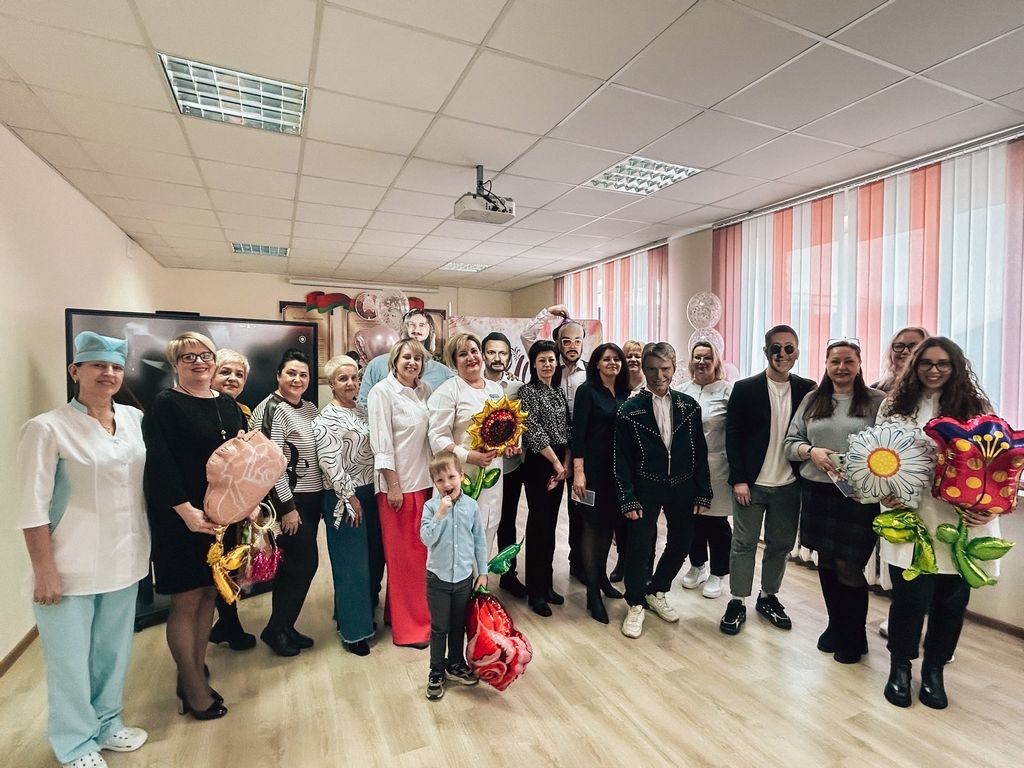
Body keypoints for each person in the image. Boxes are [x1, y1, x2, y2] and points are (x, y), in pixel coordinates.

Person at [18, 331, 150, 768]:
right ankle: (74, 743)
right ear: (75, 371)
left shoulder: (134, 419)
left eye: (115, 366)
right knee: (70, 662)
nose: (107, 373)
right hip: (69, 566)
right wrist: (45, 570)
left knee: (113, 653)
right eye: (97, 365)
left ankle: (108, 724)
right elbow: (32, 507)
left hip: (125, 559)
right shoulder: (47, 428)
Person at [877, 337, 999, 709]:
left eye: (942, 363)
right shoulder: (894, 406)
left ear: (955, 366)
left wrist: (990, 508)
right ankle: (900, 667)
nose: (934, 370)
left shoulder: (976, 408)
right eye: (926, 363)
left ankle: (934, 669)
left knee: (951, 601)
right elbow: (877, 455)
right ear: (914, 367)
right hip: (910, 518)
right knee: (908, 599)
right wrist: (884, 492)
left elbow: (996, 463)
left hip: (960, 521)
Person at [144, 331, 247, 720]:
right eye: (189, 357)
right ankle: (193, 688)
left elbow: (241, 462)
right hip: (183, 519)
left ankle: (192, 671)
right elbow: (160, 464)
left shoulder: (228, 405)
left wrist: (247, 503)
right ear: (175, 364)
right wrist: (185, 510)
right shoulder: (165, 405)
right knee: (186, 600)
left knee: (208, 595)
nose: (199, 362)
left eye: (205, 355)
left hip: (221, 518)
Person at [784, 340, 885, 663]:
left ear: (859, 364)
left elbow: (890, 446)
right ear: (826, 365)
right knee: (826, 561)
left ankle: (855, 636)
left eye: (848, 361)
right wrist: (810, 451)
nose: (841, 367)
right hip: (819, 491)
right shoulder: (813, 399)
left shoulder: (877, 401)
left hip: (858, 496)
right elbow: (790, 443)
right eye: (835, 362)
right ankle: (836, 625)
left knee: (849, 565)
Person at [721, 325, 815, 635]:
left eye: (789, 348)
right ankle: (737, 600)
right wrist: (739, 479)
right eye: (776, 348)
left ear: (797, 352)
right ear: (766, 351)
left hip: (789, 485)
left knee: (781, 545)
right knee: (743, 544)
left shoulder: (808, 389)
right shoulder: (745, 388)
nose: (782, 354)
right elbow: (733, 436)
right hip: (751, 484)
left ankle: (768, 597)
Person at [615, 342, 712, 639]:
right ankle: (635, 602)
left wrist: (703, 490)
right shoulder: (629, 410)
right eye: (653, 369)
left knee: (682, 542)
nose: (659, 376)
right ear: (643, 370)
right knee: (640, 546)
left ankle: (657, 591)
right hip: (646, 484)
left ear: (674, 368)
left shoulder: (689, 406)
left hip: (683, 484)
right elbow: (621, 458)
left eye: (665, 369)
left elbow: (699, 452)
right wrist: (627, 496)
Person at [251, 349, 323, 658]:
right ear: (278, 375)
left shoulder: (309, 408)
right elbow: (271, 465)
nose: (297, 379)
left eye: (303, 374)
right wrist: (287, 508)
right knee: (305, 564)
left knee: (294, 567)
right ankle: (275, 629)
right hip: (290, 502)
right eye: (291, 373)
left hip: (313, 498)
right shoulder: (271, 409)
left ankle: (285, 626)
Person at [367, 339, 434, 647]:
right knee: (406, 562)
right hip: (398, 489)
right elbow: (381, 445)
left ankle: (397, 614)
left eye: (417, 358)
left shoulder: (425, 391)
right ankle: (411, 630)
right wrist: (393, 486)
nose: (412, 362)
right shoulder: (382, 392)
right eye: (406, 357)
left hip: (424, 484)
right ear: (394, 361)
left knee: (417, 559)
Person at [313, 355, 379, 657]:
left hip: (371, 491)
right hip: (345, 498)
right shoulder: (326, 419)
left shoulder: (362, 410)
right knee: (351, 565)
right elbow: (330, 464)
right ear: (331, 383)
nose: (350, 383)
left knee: (371, 561)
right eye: (343, 378)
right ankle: (354, 632)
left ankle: (351, 612)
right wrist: (350, 497)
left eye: (354, 377)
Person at [521, 304, 588, 581]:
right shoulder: (550, 371)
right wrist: (548, 312)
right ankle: (538, 581)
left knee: (579, 511)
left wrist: (570, 461)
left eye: (577, 341)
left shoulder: (590, 372)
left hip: (575, 452)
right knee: (543, 519)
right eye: (566, 341)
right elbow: (527, 336)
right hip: (546, 457)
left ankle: (578, 564)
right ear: (558, 344)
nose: (572, 345)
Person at [428, 333, 508, 553]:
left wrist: (509, 443)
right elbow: (437, 436)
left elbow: (504, 425)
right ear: (454, 361)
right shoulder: (447, 391)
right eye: (463, 354)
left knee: (487, 531)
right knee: (459, 540)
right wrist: (467, 456)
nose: (471, 357)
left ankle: (481, 575)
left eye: (474, 351)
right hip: (461, 476)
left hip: (493, 475)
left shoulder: (495, 389)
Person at [420, 452, 488, 700]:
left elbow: (479, 541)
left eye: (451, 477)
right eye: (440, 480)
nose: (447, 484)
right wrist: (439, 515)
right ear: (434, 483)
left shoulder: (471, 506)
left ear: (461, 475)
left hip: (463, 580)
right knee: (440, 627)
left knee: (458, 625)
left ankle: (455, 664)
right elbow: (426, 539)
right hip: (437, 580)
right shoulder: (431, 507)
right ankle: (436, 670)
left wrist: (483, 572)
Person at [571, 343, 630, 623]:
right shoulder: (587, 391)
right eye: (606, 359)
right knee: (593, 529)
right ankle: (592, 592)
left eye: (616, 359)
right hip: (592, 472)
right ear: (596, 363)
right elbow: (578, 433)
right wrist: (578, 472)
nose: (612, 363)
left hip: (617, 472)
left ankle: (603, 579)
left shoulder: (624, 392)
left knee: (609, 527)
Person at [517, 341, 572, 617]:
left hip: (560, 461)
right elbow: (533, 431)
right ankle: (536, 591)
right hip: (540, 462)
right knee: (538, 525)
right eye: (542, 360)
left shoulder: (559, 392)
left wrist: (565, 465)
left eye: (551, 360)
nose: (548, 365)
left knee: (550, 525)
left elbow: (568, 429)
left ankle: (547, 584)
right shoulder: (527, 392)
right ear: (533, 364)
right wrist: (555, 463)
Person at [207, 348, 256, 651]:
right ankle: (227, 624)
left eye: (239, 374)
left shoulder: (243, 411)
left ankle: (227, 621)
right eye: (225, 372)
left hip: (237, 502)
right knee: (213, 567)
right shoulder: (200, 409)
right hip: (208, 504)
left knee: (231, 564)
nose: (232, 379)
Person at [679, 342, 734, 600]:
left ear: (716, 361)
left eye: (707, 357)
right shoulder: (681, 391)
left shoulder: (728, 391)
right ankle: (697, 565)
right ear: (691, 361)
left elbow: (737, 432)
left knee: (717, 522)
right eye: (697, 357)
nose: (701, 362)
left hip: (717, 467)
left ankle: (718, 573)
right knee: (692, 520)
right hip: (687, 468)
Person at [482, 331, 528, 598]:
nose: (497, 358)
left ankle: (508, 574)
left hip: (510, 467)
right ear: (483, 355)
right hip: (480, 468)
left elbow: (521, 423)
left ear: (509, 357)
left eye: (502, 353)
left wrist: (516, 442)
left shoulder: (517, 388)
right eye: (491, 352)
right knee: (480, 522)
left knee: (507, 521)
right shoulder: (471, 386)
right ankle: (476, 576)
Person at [358, 309, 454, 405]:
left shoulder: (443, 373)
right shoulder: (377, 365)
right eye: (411, 324)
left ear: (430, 329)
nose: (416, 330)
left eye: (422, 325)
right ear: (403, 328)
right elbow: (363, 405)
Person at [872, 327, 929, 392]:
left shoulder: (934, 389)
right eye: (899, 346)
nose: (905, 351)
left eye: (913, 346)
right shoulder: (877, 391)